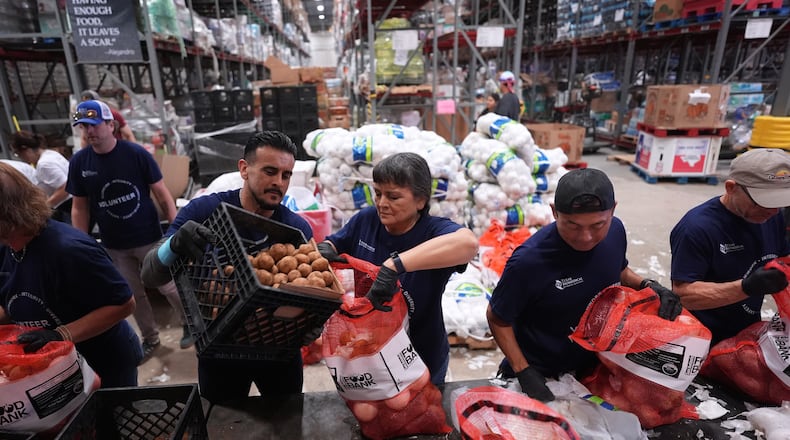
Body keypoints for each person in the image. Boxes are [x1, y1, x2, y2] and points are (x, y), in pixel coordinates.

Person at [141, 130, 314, 403]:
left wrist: (312, 321)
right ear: (244, 169)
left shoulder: (296, 229)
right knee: (221, 423)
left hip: (279, 350)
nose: (278, 182)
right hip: (219, 350)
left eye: (286, 175)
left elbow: (311, 295)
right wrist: (173, 245)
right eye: (269, 171)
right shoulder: (203, 212)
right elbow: (149, 275)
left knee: (286, 422)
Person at [487, 168, 682, 402]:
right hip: (539, 373)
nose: (585, 237)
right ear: (554, 212)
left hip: (592, 368)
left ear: (613, 211)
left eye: (597, 225)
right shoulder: (529, 262)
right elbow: (498, 318)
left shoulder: (616, 232)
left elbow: (618, 269)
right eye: (572, 225)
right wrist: (524, 372)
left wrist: (649, 285)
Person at [317, 152, 478, 386]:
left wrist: (394, 266)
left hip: (420, 356)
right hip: (368, 353)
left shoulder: (433, 231)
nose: (382, 203)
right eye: (378, 194)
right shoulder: (367, 220)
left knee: (420, 416)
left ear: (421, 200)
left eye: (393, 196)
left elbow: (469, 244)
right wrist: (324, 249)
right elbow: (335, 243)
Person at [67, 99, 192, 363]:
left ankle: (190, 323)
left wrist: (175, 228)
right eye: (83, 127)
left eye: (94, 125)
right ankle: (150, 337)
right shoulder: (80, 163)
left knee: (169, 286)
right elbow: (80, 207)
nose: (89, 132)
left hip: (149, 237)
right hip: (115, 244)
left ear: (111, 125)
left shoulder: (135, 154)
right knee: (132, 294)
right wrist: (79, 241)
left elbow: (161, 193)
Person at [0, 162, 142, 387]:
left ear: (8, 215)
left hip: (102, 361)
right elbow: (10, 303)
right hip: (53, 366)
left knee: (108, 418)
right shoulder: (7, 248)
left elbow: (123, 304)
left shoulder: (68, 250)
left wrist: (61, 334)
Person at [670, 148, 790, 345]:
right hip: (700, 337)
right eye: (762, 202)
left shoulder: (772, 216)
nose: (772, 210)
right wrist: (746, 287)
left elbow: (784, 258)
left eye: (779, 202)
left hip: (747, 332)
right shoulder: (697, 228)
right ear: (731, 187)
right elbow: (684, 296)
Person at [9, 130, 72, 223]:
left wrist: (44, 207)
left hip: (67, 207)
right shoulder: (50, 154)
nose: (21, 158)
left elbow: (65, 187)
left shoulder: (44, 164)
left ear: (25, 149)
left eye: (18, 154)